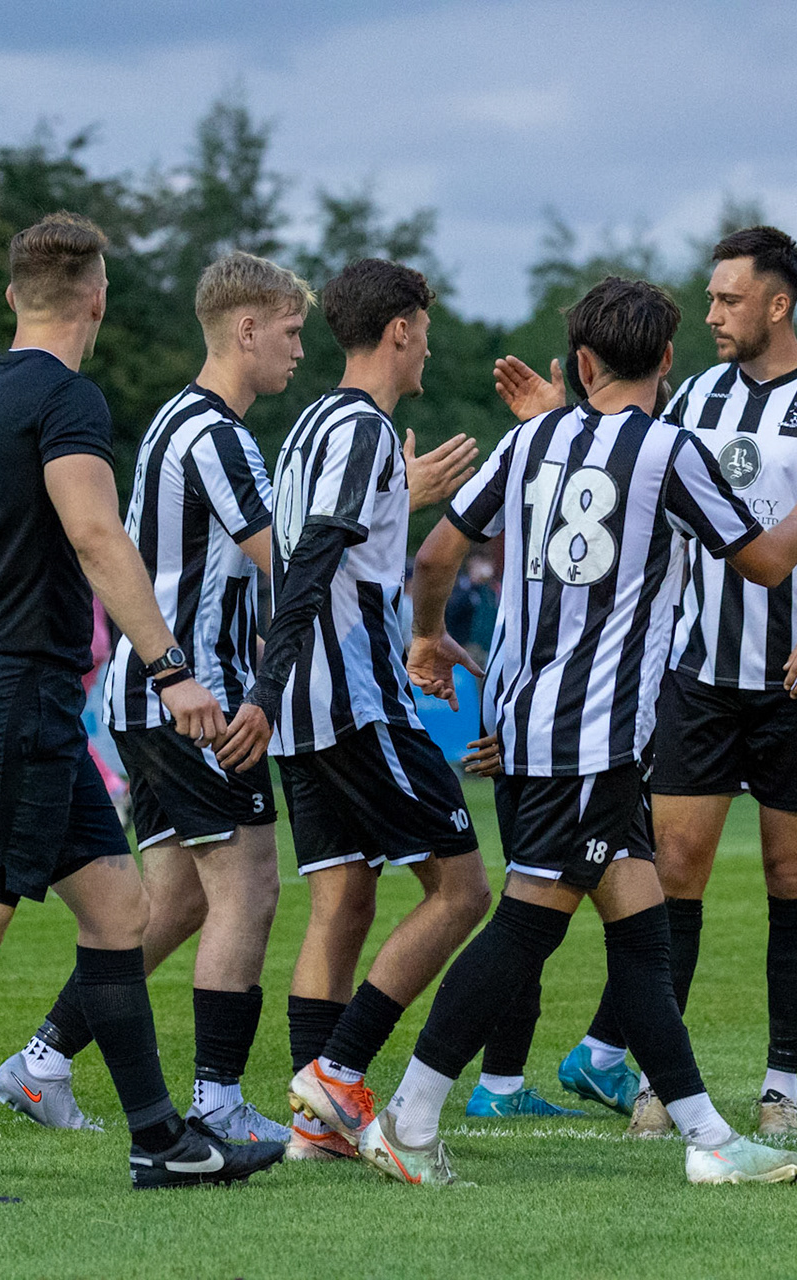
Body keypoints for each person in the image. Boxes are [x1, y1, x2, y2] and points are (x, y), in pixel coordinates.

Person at [0, 210, 285, 1207]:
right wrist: (172, 669)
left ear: (12, 296)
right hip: (14, 695)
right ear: (98, 298)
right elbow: (95, 533)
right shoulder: (67, 399)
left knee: (120, 911)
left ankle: (161, 1142)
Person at [363, 275, 797, 1186]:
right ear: (667, 359)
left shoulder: (528, 438)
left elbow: (434, 554)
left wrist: (425, 635)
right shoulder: (666, 450)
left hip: (541, 729)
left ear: (581, 363)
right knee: (523, 930)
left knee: (644, 939)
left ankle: (709, 1140)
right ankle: (408, 1120)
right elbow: (770, 563)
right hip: (588, 739)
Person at [499, 227, 797, 1140]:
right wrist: (559, 419)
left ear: (778, 303)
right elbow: (618, 459)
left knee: (791, 874)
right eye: (713, 298)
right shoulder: (692, 397)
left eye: (730, 299)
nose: (714, 313)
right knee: (673, 870)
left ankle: (780, 1085)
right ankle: (658, 1080)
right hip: (696, 676)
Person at [0, 250, 312, 1143]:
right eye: (291, 332)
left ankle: (43, 1061)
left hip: (149, 692)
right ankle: (217, 1102)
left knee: (173, 902)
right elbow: (282, 560)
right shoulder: (217, 435)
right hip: (191, 697)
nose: (299, 351)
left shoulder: (180, 419)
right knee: (249, 885)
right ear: (246, 328)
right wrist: (392, 507)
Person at [248, 258, 486, 1161]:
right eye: (424, 330)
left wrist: (397, 490)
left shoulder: (313, 426)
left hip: (308, 713)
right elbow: (314, 559)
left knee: (343, 900)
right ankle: (337, 1073)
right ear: (398, 330)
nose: (428, 346)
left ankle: (315, 1128)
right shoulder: (361, 431)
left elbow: (339, 547)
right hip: (355, 704)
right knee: (462, 890)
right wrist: (267, 685)